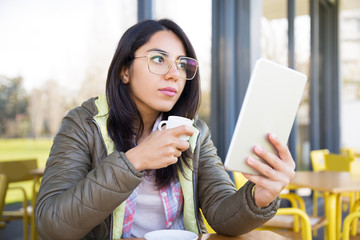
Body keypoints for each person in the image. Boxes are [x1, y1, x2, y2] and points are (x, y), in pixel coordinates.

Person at [35, 18, 295, 240]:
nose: (174, 74)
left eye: (182, 64)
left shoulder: (195, 133)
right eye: (158, 59)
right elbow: (51, 224)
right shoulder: (84, 124)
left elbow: (221, 214)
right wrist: (135, 160)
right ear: (124, 71)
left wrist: (259, 197)